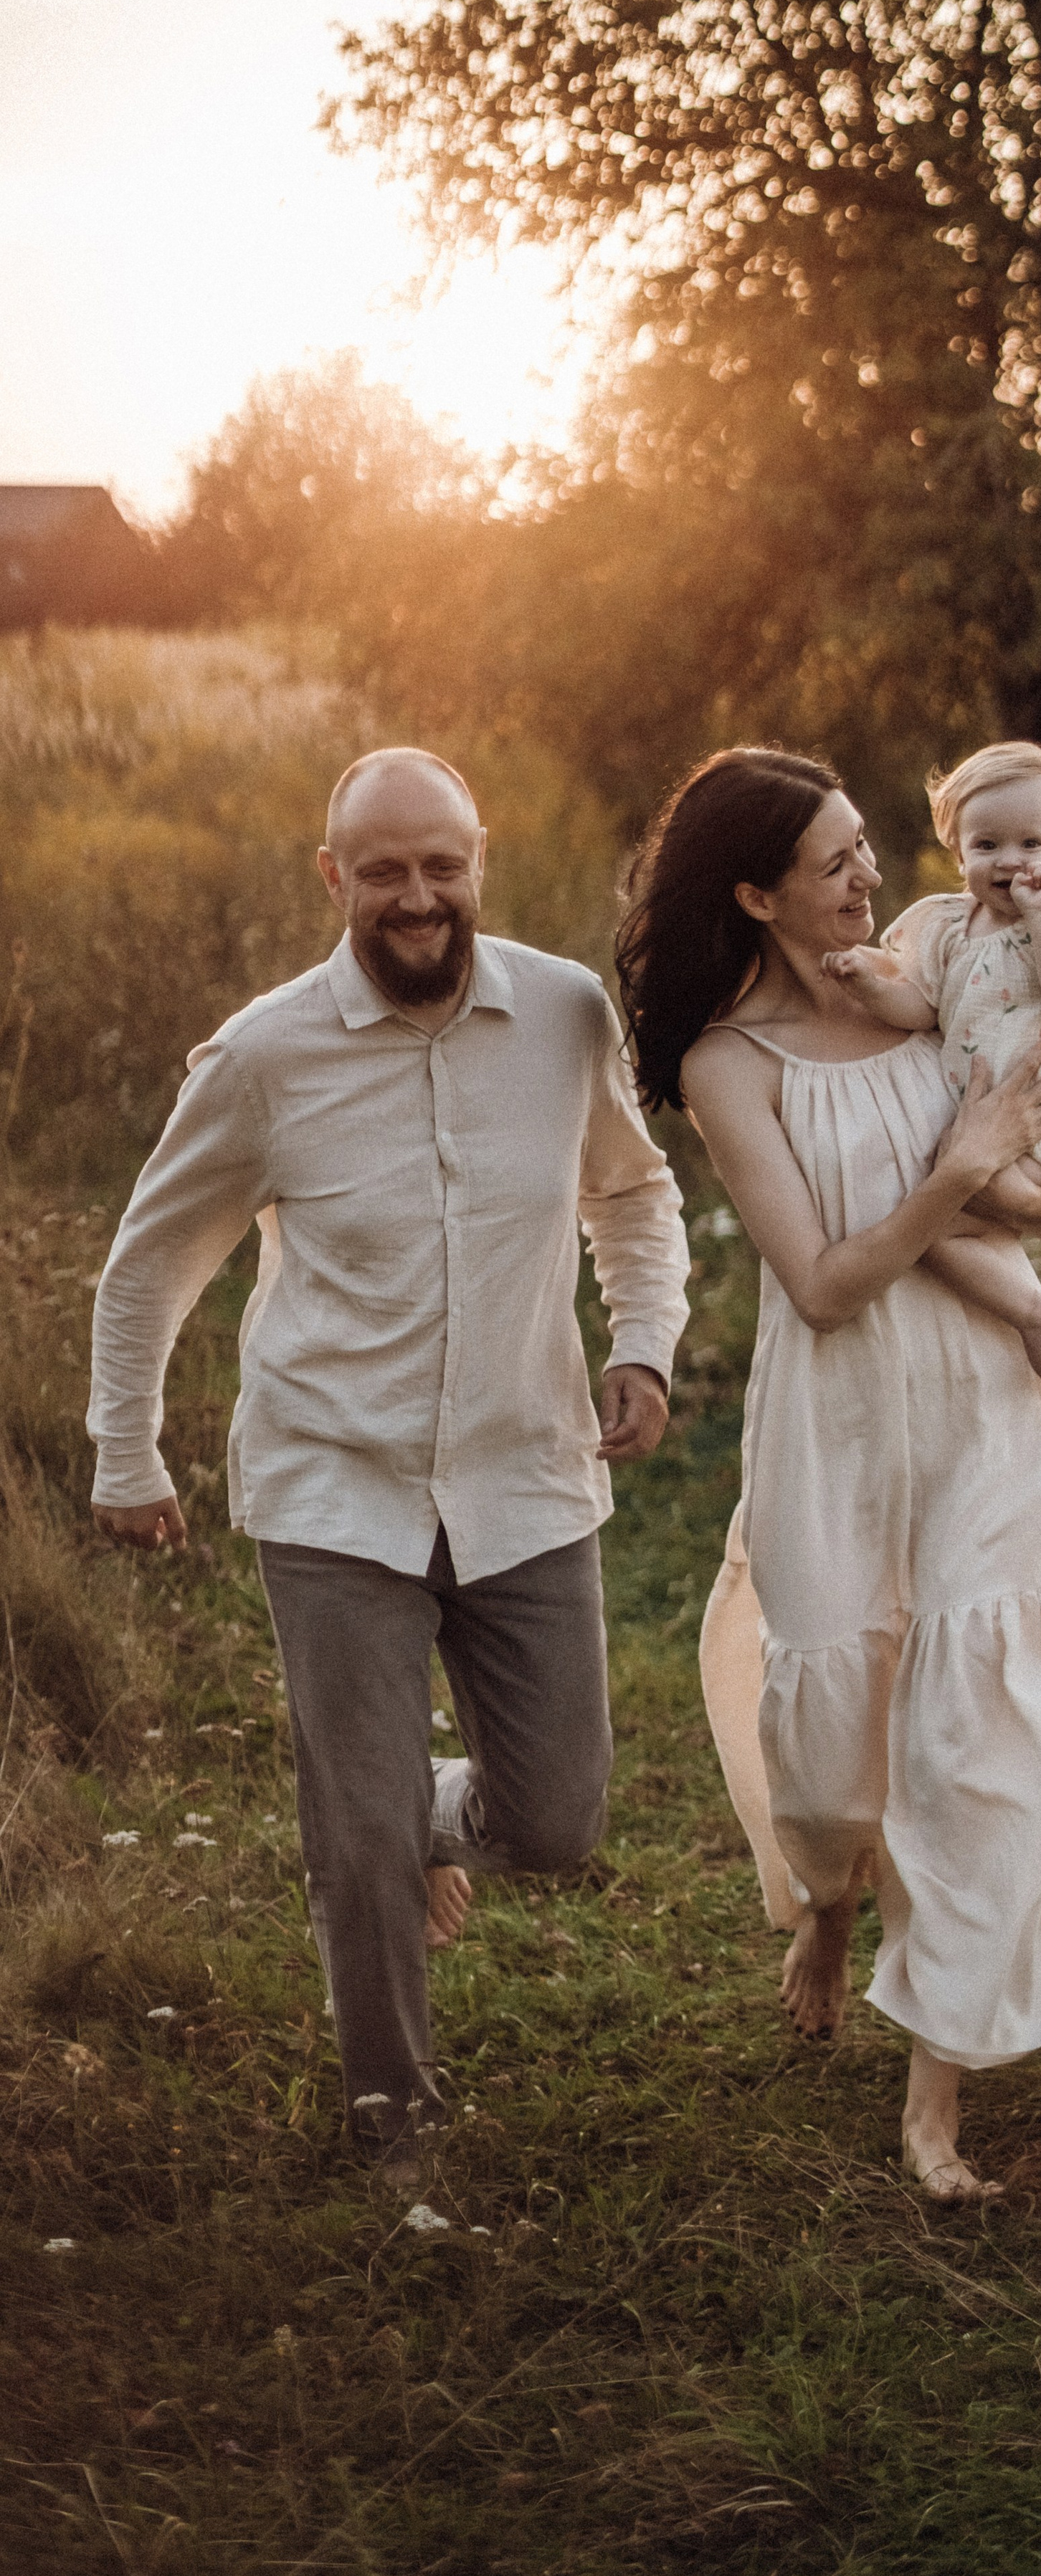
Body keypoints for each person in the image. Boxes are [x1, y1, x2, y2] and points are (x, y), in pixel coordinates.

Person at [87, 747, 690, 2184]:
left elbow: (631, 1190)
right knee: (355, 1839)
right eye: (383, 872)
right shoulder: (263, 1057)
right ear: (332, 878)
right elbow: (152, 1260)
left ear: (481, 858)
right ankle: (393, 2120)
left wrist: (645, 1344)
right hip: (333, 1486)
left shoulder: (564, 1013)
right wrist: (126, 1449)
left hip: (523, 1475)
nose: (417, 897)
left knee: (555, 1818)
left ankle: (424, 1808)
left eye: (441, 865)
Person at [615, 746, 1041, 2203]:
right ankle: (826, 1901)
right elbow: (821, 1286)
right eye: (835, 862)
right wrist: (959, 1168)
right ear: (757, 896)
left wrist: (1023, 1186)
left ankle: (935, 2100)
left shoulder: (935, 983)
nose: (871, 877)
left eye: (868, 846)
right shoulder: (727, 1066)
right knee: (831, 1756)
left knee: (969, 1736)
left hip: (991, 1402)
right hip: (846, 1421)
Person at [822, 739, 1041, 1385]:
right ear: (959, 855)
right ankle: (1033, 1310)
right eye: (987, 845)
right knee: (932, 1228)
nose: (1010, 861)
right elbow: (924, 1008)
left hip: (1040, 1121)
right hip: (978, 1123)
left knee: (942, 1214)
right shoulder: (949, 928)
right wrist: (867, 988)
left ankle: (1032, 1304)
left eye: (1032, 844)